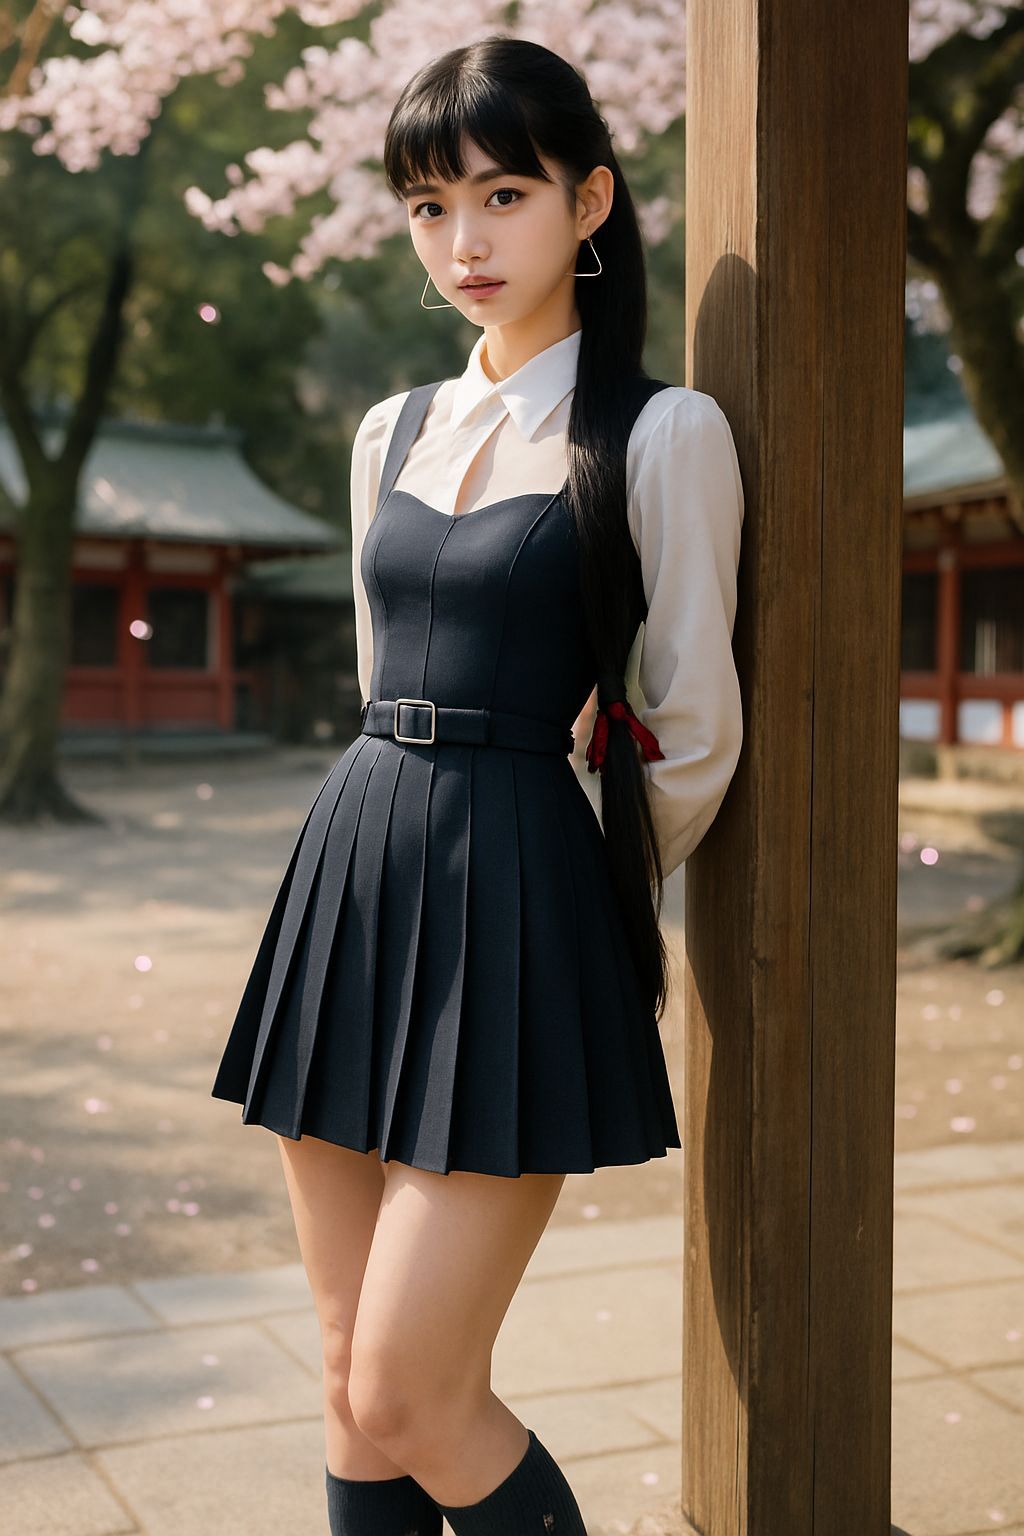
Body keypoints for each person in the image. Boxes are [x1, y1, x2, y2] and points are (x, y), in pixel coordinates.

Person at [211, 33, 744, 1536]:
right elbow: (381, 671)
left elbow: (694, 727)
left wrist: (570, 888)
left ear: (590, 203)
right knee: (344, 1376)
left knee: (410, 1394)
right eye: (430, 207)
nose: (465, 242)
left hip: (518, 899)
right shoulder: (391, 431)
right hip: (356, 870)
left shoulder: (660, 433)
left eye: (504, 195)